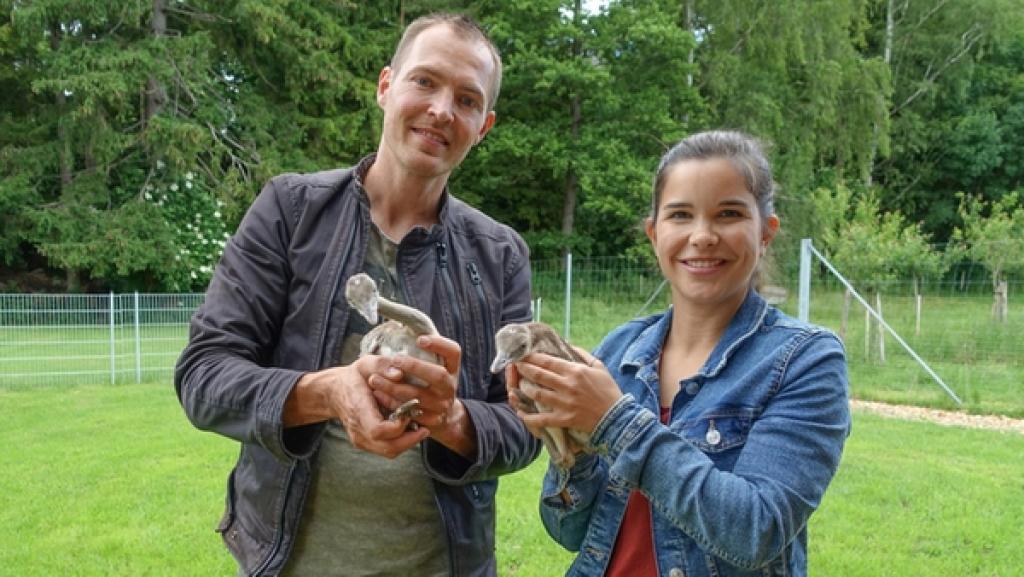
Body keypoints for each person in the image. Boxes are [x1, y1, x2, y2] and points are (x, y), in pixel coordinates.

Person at [174, 13, 539, 577]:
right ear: (386, 86)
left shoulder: (500, 253)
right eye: (425, 81)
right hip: (290, 563)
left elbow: (522, 424)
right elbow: (203, 375)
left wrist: (453, 420)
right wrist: (327, 392)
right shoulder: (290, 212)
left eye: (467, 100)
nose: (442, 109)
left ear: (483, 125)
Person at [506, 130, 850, 577]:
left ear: (766, 232)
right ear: (654, 233)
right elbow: (568, 531)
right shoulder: (618, 351)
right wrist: (570, 451)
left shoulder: (806, 360)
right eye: (681, 215)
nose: (703, 236)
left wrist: (611, 421)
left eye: (728, 214)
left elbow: (757, 531)